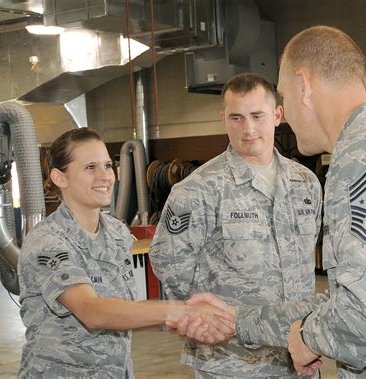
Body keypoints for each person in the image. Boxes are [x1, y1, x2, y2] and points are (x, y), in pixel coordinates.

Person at [193, 26, 366, 378]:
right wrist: (239, 320)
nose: (285, 114)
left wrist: (308, 338)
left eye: (284, 96)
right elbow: (354, 297)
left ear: (304, 85)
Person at [17, 128, 234, 378]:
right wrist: (179, 310)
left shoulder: (117, 233)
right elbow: (91, 311)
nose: (105, 176)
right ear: (60, 177)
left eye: (108, 166)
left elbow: (124, 309)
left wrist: (188, 319)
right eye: (90, 167)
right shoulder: (48, 242)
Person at [149, 73, 323, 378]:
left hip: (299, 353)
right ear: (223, 119)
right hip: (233, 361)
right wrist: (202, 321)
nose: (248, 128)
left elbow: (308, 259)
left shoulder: (305, 184)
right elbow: (170, 263)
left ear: (277, 115)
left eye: (257, 115)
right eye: (237, 118)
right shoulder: (198, 189)